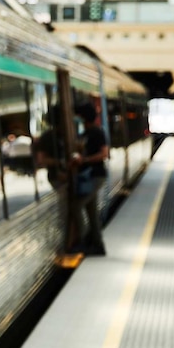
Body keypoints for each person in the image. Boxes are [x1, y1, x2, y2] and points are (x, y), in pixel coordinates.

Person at [71, 102, 108, 256]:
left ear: (84, 117)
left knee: (77, 206)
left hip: (95, 176)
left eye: (78, 116)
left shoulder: (97, 132)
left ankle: (84, 241)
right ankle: (98, 246)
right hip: (87, 177)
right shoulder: (83, 133)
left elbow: (104, 153)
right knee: (91, 211)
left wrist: (85, 160)